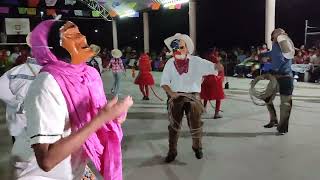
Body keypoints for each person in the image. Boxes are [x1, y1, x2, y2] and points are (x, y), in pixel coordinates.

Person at [12, 20, 133, 180]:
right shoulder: (47, 84)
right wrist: (102, 117)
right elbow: (47, 160)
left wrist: (112, 117)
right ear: (52, 47)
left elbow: (91, 118)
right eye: (72, 35)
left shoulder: (87, 75)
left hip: (75, 167)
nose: (83, 38)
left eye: (80, 33)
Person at [161, 33, 220, 163]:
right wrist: (171, 93)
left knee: (196, 124)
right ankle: (172, 151)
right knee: (173, 126)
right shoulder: (170, 63)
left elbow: (213, 68)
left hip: (193, 97)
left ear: (187, 48)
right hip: (176, 97)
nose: (178, 50)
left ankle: (197, 147)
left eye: (181, 47)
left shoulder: (196, 61)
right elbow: (164, 82)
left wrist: (217, 66)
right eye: (175, 48)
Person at [0, 57, 42, 143]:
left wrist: (15, 102)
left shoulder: (15, 70)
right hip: (41, 122)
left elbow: (1, 88)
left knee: (20, 149)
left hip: (18, 121)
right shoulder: (50, 71)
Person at [261, 28, 294, 135]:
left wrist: (271, 70)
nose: (283, 34)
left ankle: (283, 127)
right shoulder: (276, 45)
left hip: (284, 77)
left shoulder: (283, 43)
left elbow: (280, 59)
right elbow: (273, 54)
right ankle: (274, 120)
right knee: (268, 97)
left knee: (285, 103)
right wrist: (263, 55)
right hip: (278, 77)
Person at [200, 50, 225, 119]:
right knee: (218, 97)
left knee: (205, 95)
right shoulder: (217, 62)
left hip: (206, 79)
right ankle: (216, 113)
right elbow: (220, 70)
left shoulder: (205, 61)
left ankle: (203, 109)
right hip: (215, 80)